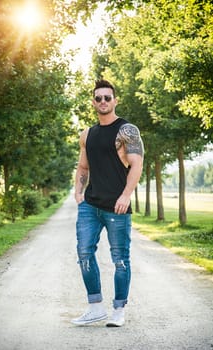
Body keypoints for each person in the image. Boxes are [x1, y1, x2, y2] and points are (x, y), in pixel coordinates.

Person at [71, 79, 144, 327]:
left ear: (115, 100)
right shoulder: (87, 134)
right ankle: (95, 307)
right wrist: (78, 191)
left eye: (107, 97)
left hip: (117, 206)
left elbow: (137, 164)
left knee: (120, 259)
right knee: (84, 253)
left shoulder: (127, 131)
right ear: (93, 103)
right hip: (90, 205)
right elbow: (83, 166)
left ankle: (118, 311)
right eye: (99, 98)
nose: (103, 101)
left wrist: (126, 195)